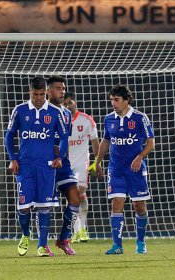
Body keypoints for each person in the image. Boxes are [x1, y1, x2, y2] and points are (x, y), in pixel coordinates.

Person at [5, 76, 68, 257]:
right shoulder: (20, 110)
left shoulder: (55, 112)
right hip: (25, 167)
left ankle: (42, 245)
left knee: (44, 206)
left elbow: (63, 138)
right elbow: (9, 135)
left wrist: (60, 156)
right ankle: (26, 234)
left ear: (46, 93)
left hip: (46, 167)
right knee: (24, 207)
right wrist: (13, 158)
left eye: (41, 94)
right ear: (29, 92)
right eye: (35, 94)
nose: (39, 98)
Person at [93, 85, 155, 255]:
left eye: (116, 100)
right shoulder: (108, 119)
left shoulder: (140, 118)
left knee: (139, 206)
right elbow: (106, 141)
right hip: (116, 169)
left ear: (126, 100)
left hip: (135, 170)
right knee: (117, 203)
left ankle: (141, 241)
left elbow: (150, 142)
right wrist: (97, 162)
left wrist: (140, 156)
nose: (113, 103)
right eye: (111, 100)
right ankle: (117, 245)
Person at [46, 76, 80, 255]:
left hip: (63, 164)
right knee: (43, 205)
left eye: (63, 88)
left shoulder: (66, 114)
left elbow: (65, 139)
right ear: (48, 91)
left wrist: (61, 152)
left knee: (75, 198)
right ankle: (40, 242)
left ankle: (63, 239)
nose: (62, 91)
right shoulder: (42, 111)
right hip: (44, 164)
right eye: (58, 88)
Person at [62, 92, 99, 243]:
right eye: (65, 104)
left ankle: (82, 228)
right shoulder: (59, 120)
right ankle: (76, 230)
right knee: (72, 195)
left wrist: (97, 162)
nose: (68, 106)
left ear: (75, 102)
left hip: (82, 163)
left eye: (70, 102)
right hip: (66, 164)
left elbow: (95, 141)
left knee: (80, 192)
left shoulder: (86, 120)